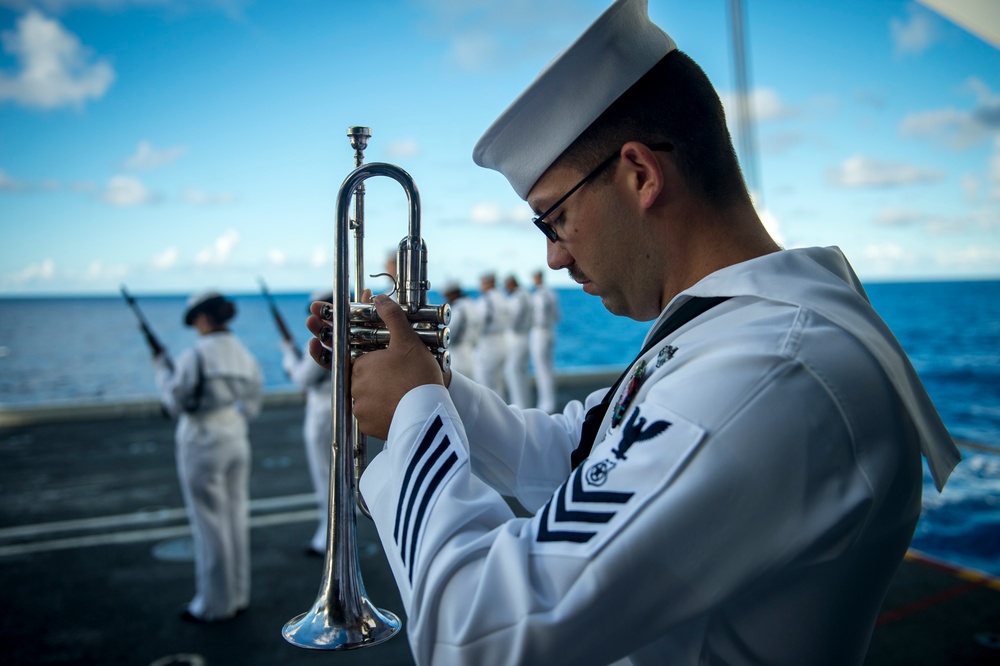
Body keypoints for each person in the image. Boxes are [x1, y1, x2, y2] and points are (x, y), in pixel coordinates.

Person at [307, 0, 961, 663]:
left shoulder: (768, 371)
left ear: (641, 175)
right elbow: (571, 456)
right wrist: (428, 379)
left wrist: (414, 413)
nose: (554, 257)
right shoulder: (735, 334)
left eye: (552, 220)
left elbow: (474, 633)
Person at [154, 290, 263, 623]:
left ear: (203, 319)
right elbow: (253, 407)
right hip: (235, 436)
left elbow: (174, 404)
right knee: (235, 518)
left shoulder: (195, 356)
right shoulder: (244, 355)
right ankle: (238, 594)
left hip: (200, 440)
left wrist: (160, 369)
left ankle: (215, 605)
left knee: (209, 525)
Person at [280, 290, 333, 556]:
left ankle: (327, 538)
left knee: (324, 477)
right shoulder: (349, 335)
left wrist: (288, 355)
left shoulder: (325, 340)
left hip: (322, 413)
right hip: (342, 409)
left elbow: (304, 378)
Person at [529, 269, 560, 413]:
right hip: (550, 331)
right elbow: (557, 316)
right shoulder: (552, 293)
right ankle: (550, 401)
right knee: (548, 368)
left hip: (540, 332)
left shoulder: (538, 295)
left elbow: (537, 317)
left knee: (541, 369)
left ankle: (546, 404)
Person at [472, 271, 507, 397]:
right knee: (497, 384)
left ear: (488, 283)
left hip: (488, 343)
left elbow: (478, 322)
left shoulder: (486, 300)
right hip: (502, 340)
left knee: (485, 384)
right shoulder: (502, 297)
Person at [502, 274, 533, 408]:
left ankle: (520, 408)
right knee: (521, 374)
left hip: (516, 338)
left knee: (514, 374)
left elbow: (514, 320)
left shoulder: (517, 298)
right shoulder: (526, 295)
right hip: (524, 337)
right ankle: (525, 405)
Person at [442, 282, 476, 377]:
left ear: (453, 293)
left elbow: (451, 332)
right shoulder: (471, 303)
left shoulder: (458, 308)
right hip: (471, 351)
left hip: (458, 353)